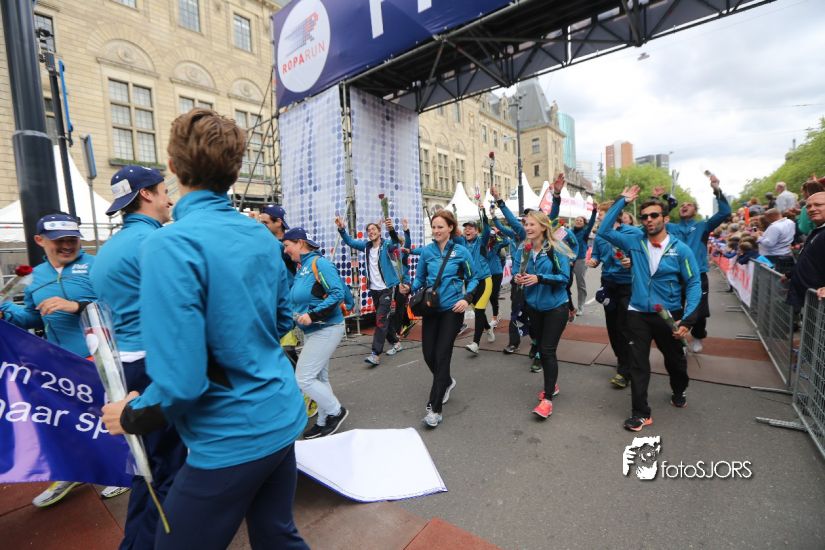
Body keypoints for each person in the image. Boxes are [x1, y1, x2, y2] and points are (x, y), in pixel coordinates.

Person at [101, 109, 308, 549]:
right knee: (276, 536)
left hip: (231, 434)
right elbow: (280, 321)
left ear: (173, 167)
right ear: (234, 170)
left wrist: (131, 414)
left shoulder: (169, 244)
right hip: (280, 410)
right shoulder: (261, 236)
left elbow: (182, 381)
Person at [0, 213, 128, 507]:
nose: (68, 245)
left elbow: (119, 305)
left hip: (102, 355)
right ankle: (73, 471)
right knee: (68, 420)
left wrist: (77, 305)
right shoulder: (33, 277)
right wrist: (6, 312)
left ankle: (122, 471)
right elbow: (33, 318)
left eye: (72, 239)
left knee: (110, 416)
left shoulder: (96, 266)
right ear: (40, 240)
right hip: (59, 363)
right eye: (59, 240)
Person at [90, 166, 187, 549]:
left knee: (146, 463)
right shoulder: (155, 242)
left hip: (123, 366)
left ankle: (135, 541)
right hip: (154, 364)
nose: (169, 199)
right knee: (170, 466)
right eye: (163, 191)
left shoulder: (107, 250)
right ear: (146, 194)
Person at [597, 186, 701, 432]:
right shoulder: (634, 240)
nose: (649, 220)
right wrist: (621, 201)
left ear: (665, 218)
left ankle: (679, 389)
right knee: (638, 363)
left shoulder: (680, 249)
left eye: (654, 215)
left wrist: (688, 319)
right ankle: (640, 413)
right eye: (644, 217)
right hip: (637, 312)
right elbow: (603, 231)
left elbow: (694, 283)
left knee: (675, 361)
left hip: (668, 313)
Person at [399, 210, 477, 428]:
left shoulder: (461, 251)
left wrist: (466, 299)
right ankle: (446, 381)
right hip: (431, 309)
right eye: (433, 227)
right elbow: (420, 279)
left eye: (440, 227)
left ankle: (435, 409)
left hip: (453, 309)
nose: (436, 231)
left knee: (442, 355)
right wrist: (409, 287)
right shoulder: (427, 252)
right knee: (428, 354)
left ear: (450, 228)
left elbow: (473, 278)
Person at [282, 227, 350, 439]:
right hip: (313, 331)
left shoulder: (319, 263)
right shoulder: (302, 268)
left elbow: (337, 293)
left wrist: (312, 315)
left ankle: (336, 411)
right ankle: (323, 421)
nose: (285, 250)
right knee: (319, 377)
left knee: (303, 378)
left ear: (300, 243)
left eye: (287, 245)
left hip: (326, 328)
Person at [512, 210, 575, 419]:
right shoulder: (524, 249)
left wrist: (540, 278)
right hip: (533, 306)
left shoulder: (556, 248)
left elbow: (564, 278)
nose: (528, 228)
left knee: (547, 350)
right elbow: (517, 271)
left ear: (543, 226)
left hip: (556, 307)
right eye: (526, 224)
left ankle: (547, 399)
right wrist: (518, 278)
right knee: (540, 346)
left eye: (532, 224)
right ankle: (552, 385)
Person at [658, 173, 731, 353]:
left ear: (695, 210)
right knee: (675, 310)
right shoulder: (671, 227)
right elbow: (655, 219)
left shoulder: (702, 225)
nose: (684, 206)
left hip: (697, 276)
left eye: (689, 205)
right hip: (674, 276)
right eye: (682, 205)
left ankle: (698, 337)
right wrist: (662, 200)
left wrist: (716, 189)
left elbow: (725, 212)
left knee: (697, 311)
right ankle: (679, 340)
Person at [336, 215, 401, 366]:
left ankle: (375, 354)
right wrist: (342, 229)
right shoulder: (366, 247)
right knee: (383, 318)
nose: (371, 232)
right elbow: (350, 242)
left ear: (379, 231)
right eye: (368, 230)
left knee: (380, 319)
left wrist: (391, 230)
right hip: (374, 289)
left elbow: (396, 243)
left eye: (373, 229)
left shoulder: (386, 245)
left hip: (387, 288)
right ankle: (396, 342)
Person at [588, 204, 641, 389]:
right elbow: (596, 256)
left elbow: (645, 255)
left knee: (624, 326)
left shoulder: (633, 232)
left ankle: (625, 370)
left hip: (628, 285)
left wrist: (633, 261)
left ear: (615, 215)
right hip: (608, 285)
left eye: (602, 215)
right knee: (612, 327)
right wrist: (593, 261)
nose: (599, 219)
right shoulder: (600, 236)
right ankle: (622, 359)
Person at [491, 186, 529, 354]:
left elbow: (512, 222)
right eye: (524, 223)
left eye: (529, 223)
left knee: (535, 314)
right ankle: (514, 342)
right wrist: (494, 215)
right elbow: (506, 225)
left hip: (534, 281)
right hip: (517, 280)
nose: (525, 226)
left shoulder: (531, 238)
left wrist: (500, 201)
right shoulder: (516, 236)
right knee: (515, 311)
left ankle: (537, 345)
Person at [455, 217, 493, 355]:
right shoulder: (462, 242)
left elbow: (487, 230)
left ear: (477, 231)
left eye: (470, 228)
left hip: (484, 280)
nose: (467, 230)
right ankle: (488, 328)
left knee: (479, 310)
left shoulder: (482, 241)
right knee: (478, 311)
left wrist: (484, 215)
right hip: (470, 282)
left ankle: (476, 343)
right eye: (465, 228)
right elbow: (451, 233)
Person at [787, 191, 825, 309]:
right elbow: (809, 259)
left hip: (818, 304)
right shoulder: (817, 231)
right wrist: (790, 274)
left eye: (818, 205)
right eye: (808, 206)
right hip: (808, 302)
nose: (812, 209)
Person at [570, 206, 598, 315]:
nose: (578, 221)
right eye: (577, 220)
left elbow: (591, 223)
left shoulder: (585, 232)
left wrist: (594, 211)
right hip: (568, 261)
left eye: (580, 220)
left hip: (580, 261)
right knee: (565, 283)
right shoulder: (569, 231)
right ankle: (568, 306)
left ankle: (580, 306)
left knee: (580, 284)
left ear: (583, 223)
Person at [757, 208, 796, 274]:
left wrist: (758, 237)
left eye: (766, 218)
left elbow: (769, 243)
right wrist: (763, 235)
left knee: (772, 276)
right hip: (785, 253)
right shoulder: (790, 222)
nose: (766, 220)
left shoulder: (775, 227)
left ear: (771, 216)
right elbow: (781, 236)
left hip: (773, 257)